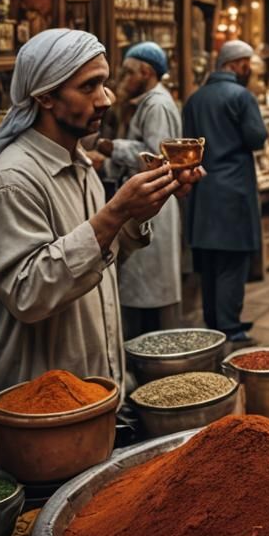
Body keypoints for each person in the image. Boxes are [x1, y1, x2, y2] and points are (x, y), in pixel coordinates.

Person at [0, 29, 201, 401]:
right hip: (43, 406)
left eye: (104, 83)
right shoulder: (13, 181)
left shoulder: (80, 166)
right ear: (45, 96)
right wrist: (116, 211)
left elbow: (99, 259)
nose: (106, 98)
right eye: (89, 86)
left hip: (94, 392)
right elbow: (29, 294)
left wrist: (137, 212)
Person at [92, 43, 183, 339]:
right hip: (148, 203)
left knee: (151, 298)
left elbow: (157, 157)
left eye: (128, 72)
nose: (123, 79)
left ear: (146, 71)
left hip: (154, 205)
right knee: (143, 290)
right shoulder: (146, 103)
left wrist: (109, 147)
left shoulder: (156, 104)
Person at [183, 39, 267, 346]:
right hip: (233, 191)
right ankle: (231, 327)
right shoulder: (241, 96)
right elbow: (257, 137)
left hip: (203, 190)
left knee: (210, 263)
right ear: (234, 64)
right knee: (233, 261)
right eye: (247, 64)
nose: (249, 70)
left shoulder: (195, 99)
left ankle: (214, 322)